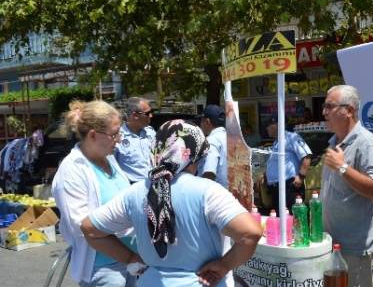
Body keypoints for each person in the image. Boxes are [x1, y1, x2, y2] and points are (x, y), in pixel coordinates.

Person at [80, 120, 262, 287]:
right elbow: (250, 233)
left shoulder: (135, 192)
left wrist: (130, 257)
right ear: (193, 156)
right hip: (202, 281)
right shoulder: (208, 191)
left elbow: (89, 229)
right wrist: (224, 265)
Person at [52, 100, 136, 287]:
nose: (119, 139)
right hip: (103, 268)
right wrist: (129, 256)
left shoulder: (110, 160)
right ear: (93, 135)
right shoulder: (72, 170)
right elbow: (83, 227)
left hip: (130, 259)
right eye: (114, 134)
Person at [320, 85, 373, 287]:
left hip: (355, 249)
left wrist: (342, 167)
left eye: (329, 106)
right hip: (333, 244)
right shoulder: (334, 143)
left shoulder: (367, 144)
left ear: (349, 110)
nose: (324, 112)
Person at [264, 115, 312, 213]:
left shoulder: (291, 137)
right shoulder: (276, 142)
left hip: (289, 187)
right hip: (278, 189)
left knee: (293, 219)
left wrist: (301, 176)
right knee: (282, 222)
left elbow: (307, 156)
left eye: (268, 125)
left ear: (276, 125)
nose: (266, 128)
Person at [115, 97, 155, 183]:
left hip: (154, 185)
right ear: (135, 115)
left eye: (152, 112)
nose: (151, 116)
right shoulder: (117, 138)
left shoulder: (151, 132)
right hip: (132, 187)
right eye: (147, 113)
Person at [197, 104, 228, 188]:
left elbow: (209, 172)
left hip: (216, 196)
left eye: (201, 121)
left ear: (207, 122)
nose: (200, 125)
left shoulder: (211, 141)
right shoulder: (232, 138)